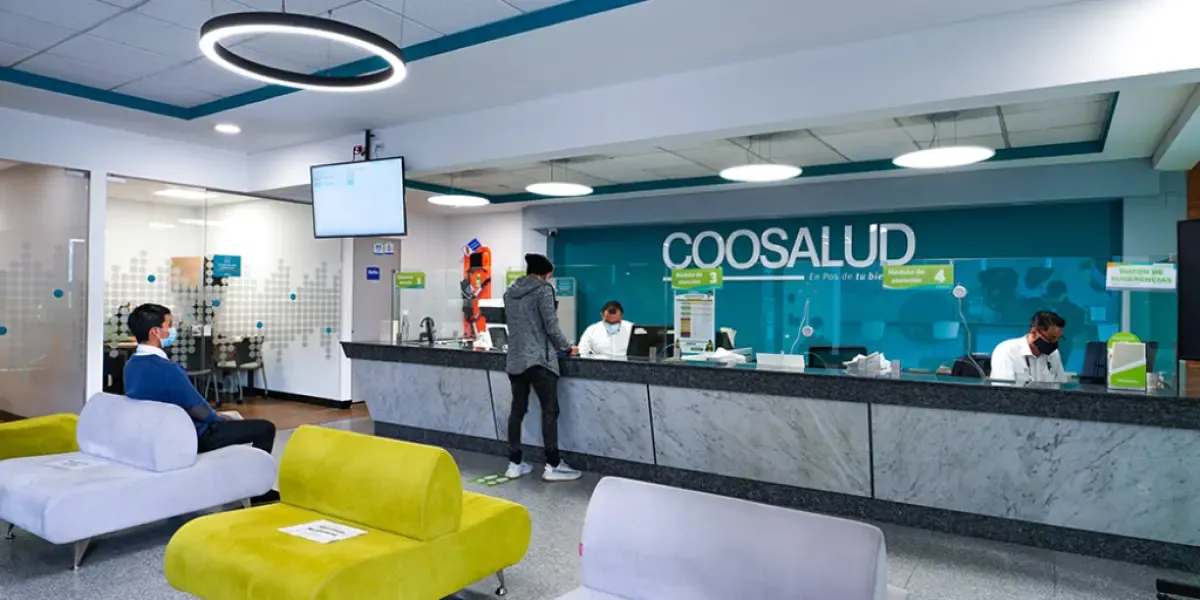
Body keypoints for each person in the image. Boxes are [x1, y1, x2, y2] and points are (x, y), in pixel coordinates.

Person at [124, 303, 279, 462]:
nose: (172, 330)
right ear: (155, 332)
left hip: (157, 433)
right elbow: (198, 408)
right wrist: (220, 418)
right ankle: (256, 475)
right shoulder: (168, 370)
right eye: (169, 325)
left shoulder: (130, 366)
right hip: (196, 434)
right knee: (265, 428)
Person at [502, 254, 582, 482]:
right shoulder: (544, 290)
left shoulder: (510, 292)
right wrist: (567, 348)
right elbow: (551, 326)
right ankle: (553, 464)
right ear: (545, 274)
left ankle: (514, 463)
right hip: (539, 360)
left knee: (517, 410)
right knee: (549, 410)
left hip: (516, 359)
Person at [989, 311, 1068, 383]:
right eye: (1051, 338)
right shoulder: (1007, 351)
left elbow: (1061, 386)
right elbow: (1003, 389)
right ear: (1034, 331)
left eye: (1059, 338)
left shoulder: (1054, 354)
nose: (1054, 342)